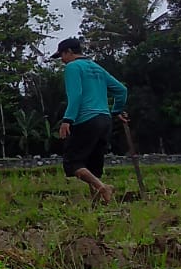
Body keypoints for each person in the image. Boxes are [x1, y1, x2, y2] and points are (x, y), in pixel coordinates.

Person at [52, 38, 126, 204]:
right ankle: (97, 203)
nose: (62, 60)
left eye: (62, 55)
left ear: (69, 52)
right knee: (93, 164)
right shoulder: (97, 67)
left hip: (86, 120)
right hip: (105, 120)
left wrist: (67, 120)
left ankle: (102, 188)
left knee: (72, 162)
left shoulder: (73, 67)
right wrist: (117, 111)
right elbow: (121, 90)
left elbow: (76, 95)